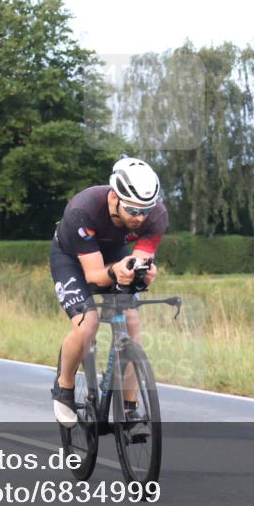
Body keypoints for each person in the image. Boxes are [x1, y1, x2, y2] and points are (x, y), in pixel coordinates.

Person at [49, 158, 168, 431]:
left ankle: (130, 409)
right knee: (87, 323)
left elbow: (139, 259)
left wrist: (141, 273)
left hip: (113, 254)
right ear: (114, 196)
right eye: (133, 210)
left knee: (131, 320)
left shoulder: (156, 215)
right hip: (71, 258)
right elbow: (93, 276)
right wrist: (116, 272)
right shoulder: (84, 209)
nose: (140, 218)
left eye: (145, 211)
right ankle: (63, 386)